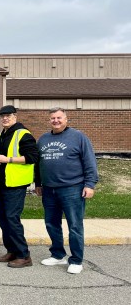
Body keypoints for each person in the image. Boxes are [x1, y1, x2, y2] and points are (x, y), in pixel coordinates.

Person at [36, 107, 98, 274]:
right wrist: (38, 183)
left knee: (75, 225)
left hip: (72, 188)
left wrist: (90, 184)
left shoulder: (78, 137)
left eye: (59, 117)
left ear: (66, 119)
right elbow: (38, 164)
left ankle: (76, 260)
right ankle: (57, 255)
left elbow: (90, 162)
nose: (55, 121)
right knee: (51, 223)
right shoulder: (43, 139)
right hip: (49, 189)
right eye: (52, 118)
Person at [0, 105, 39, 268]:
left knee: (12, 218)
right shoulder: (3, 134)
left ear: (15, 117)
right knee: (3, 218)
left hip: (15, 184)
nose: (5, 118)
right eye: (2, 116)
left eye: (8, 116)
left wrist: (7, 159)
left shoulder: (23, 134)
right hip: (2, 184)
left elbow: (33, 157)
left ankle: (24, 255)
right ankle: (12, 250)